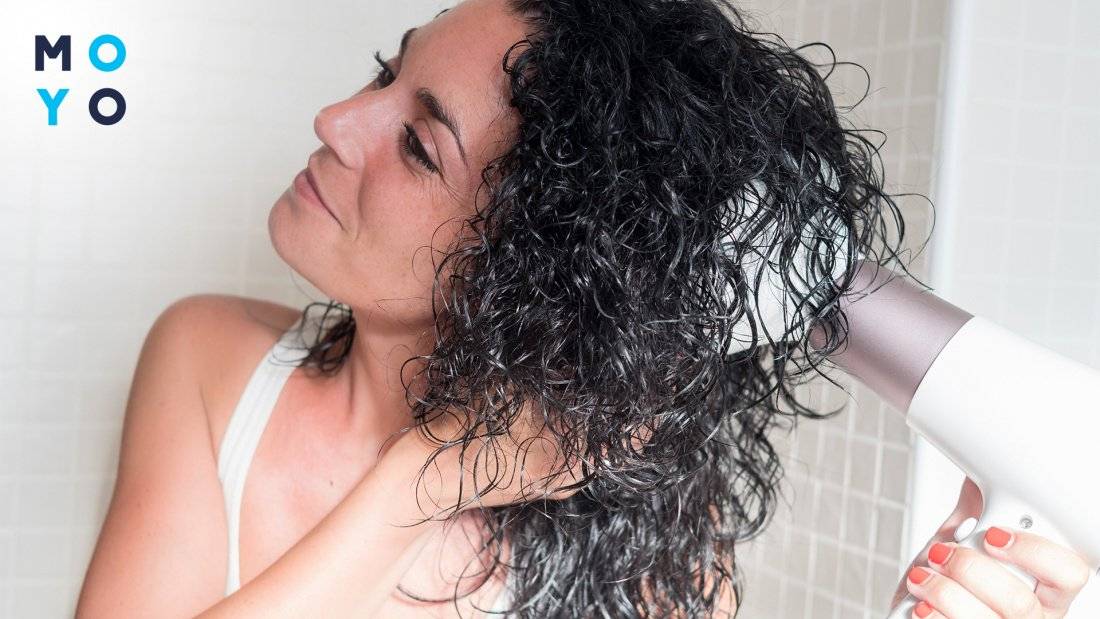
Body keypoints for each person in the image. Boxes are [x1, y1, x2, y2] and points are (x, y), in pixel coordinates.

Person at [76, 0, 1092, 616]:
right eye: (387, 74)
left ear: (528, 266)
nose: (337, 120)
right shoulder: (209, 359)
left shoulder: (653, 548)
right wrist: (419, 480)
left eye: (419, 144)